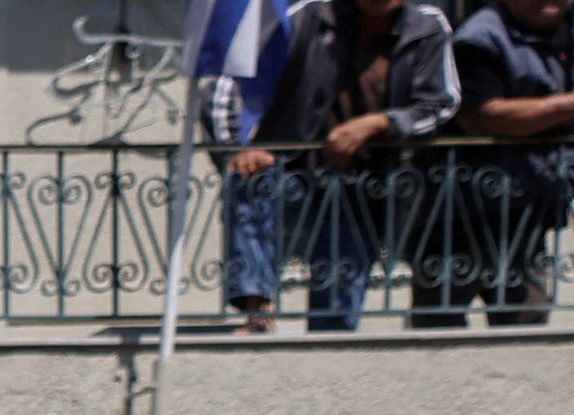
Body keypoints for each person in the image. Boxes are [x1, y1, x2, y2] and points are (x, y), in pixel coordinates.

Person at [231, 0, 467, 326]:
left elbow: (442, 102)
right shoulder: (307, 16)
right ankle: (257, 312)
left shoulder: (425, 26)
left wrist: (381, 123)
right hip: (297, 172)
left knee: (337, 311)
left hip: (364, 190)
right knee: (252, 187)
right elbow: (233, 76)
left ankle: (327, 364)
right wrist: (241, 146)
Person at [450, 0, 574, 319]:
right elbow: (483, 117)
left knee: (527, 315)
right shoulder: (479, 37)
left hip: (534, 203)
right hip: (459, 210)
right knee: (440, 317)